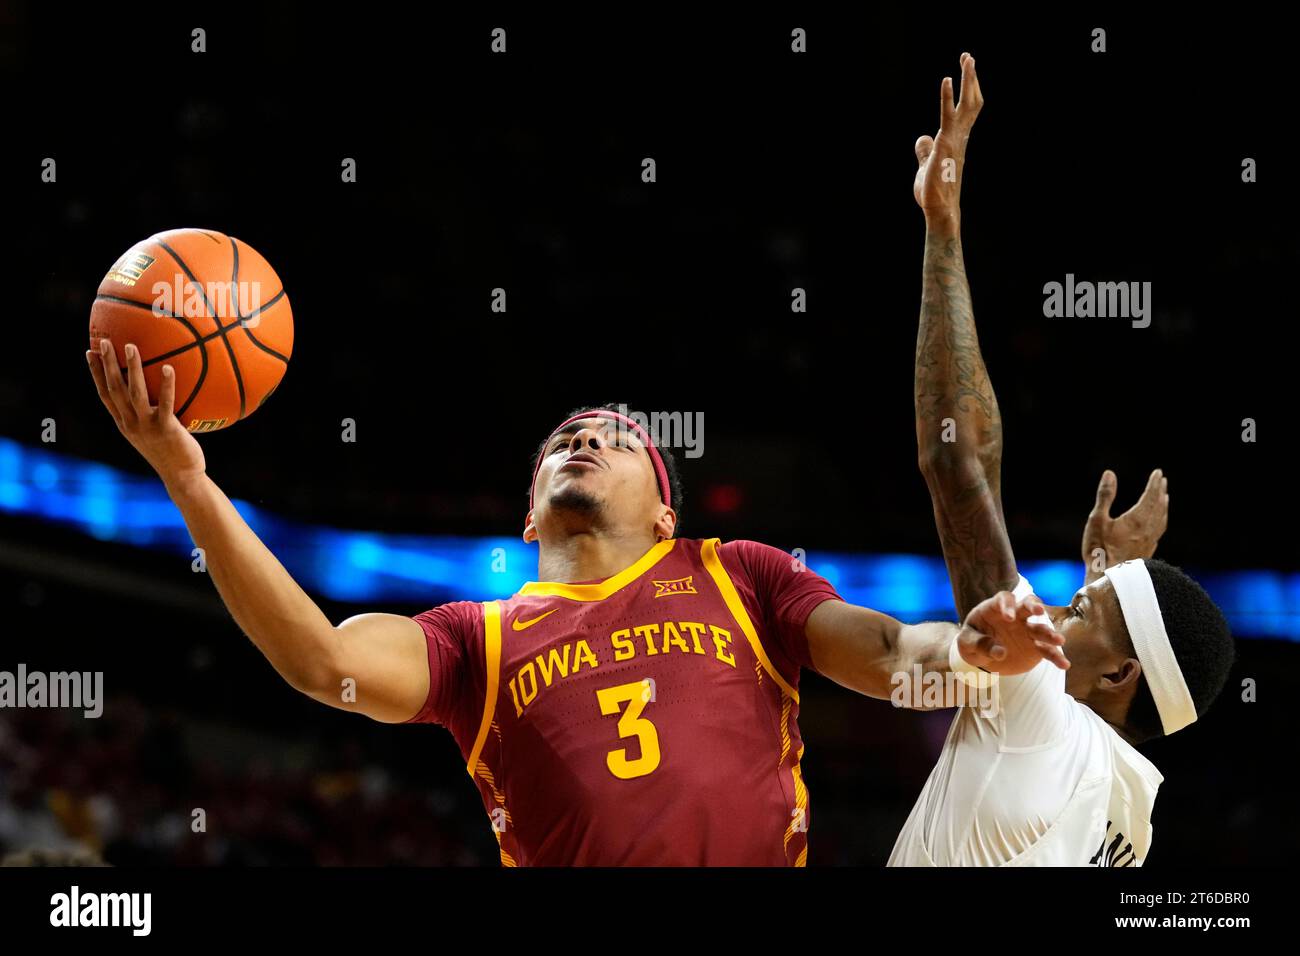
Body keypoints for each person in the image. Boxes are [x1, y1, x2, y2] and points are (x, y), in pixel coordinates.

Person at [84, 342, 1062, 865]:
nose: (582, 441)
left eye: (612, 436)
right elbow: (320, 660)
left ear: (666, 507)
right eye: (562, 440)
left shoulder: (736, 572)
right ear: (526, 512)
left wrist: (974, 649)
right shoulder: (476, 640)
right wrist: (188, 480)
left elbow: (888, 651)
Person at [892, 52, 1235, 866]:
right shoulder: (1129, 814)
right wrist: (1110, 584)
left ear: (1118, 676)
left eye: (1079, 613)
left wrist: (943, 226)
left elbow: (957, 465)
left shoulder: (1037, 709)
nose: (1051, 610)